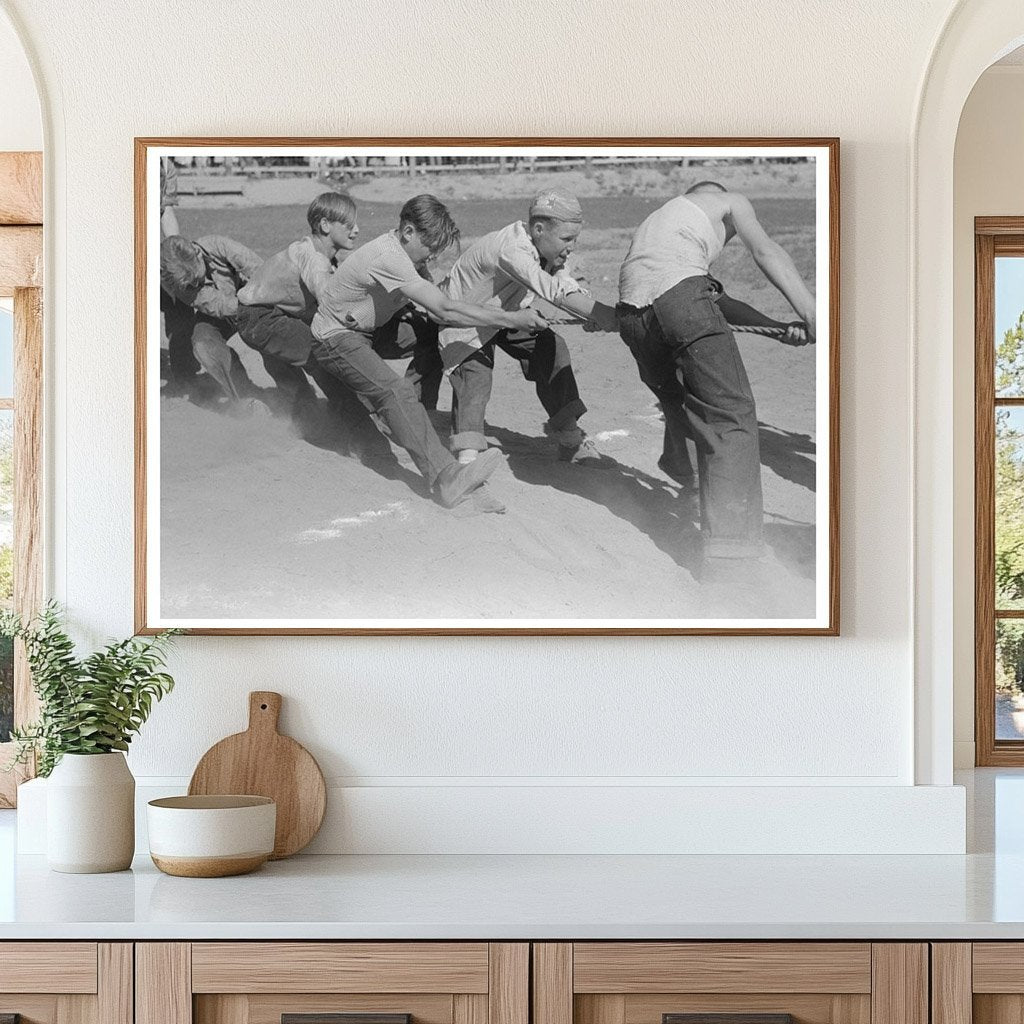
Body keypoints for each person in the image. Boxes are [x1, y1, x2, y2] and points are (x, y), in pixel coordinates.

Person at [309, 194, 549, 510]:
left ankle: (412, 418)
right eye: (429, 248)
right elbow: (444, 308)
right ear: (408, 232)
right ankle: (446, 478)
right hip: (335, 339)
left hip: (366, 330)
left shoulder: (412, 259)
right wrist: (512, 319)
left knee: (432, 335)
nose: (431, 258)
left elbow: (438, 312)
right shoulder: (389, 256)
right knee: (394, 391)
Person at [617, 181, 816, 560]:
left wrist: (777, 329)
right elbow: (765, 250)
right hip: (680, 300)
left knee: (680, 403)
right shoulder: (730, 201)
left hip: (632, 316)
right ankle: (733, 555)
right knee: (730, 415)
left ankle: (691, 486)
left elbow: (709, 300)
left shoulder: (663, 226)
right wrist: (810, 312)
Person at [435, 188, 619, 466]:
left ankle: (570, 440)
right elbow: (553, 291)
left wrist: (591, 315)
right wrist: (615, 319)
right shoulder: (513, 248)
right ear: (539, 229)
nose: (571, 247)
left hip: (507, 316)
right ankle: (466, 462)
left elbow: (564, 284)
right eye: (567, 239)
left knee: (550, 347)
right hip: (463, 320)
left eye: (575, 239)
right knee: (476, 377)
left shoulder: (545, 248)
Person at [160, 233, 263, 406]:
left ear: (198, 254)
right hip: (226, 312)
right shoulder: (180, 283)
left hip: (258, 301)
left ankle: (300, 398)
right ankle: (243, 395)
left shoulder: (219, 245)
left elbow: (261, 271)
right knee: (203, 344)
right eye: (188, 285)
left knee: (273, 336)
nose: (193, 286)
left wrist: (264, 302)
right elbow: (220, 306)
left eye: (195, 278)